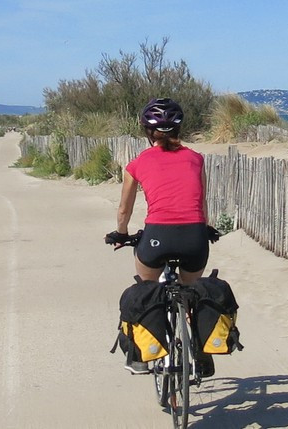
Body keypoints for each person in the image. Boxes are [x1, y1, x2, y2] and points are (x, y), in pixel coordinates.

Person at [111, 98, 216, 376]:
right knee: (192, 292)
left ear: (148, 131)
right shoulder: (196, 159)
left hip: (157, 236)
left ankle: (141, 358)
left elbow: (124, 210)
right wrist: (205, 228)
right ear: (179, 129)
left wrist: (121, 234)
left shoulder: (137, 164)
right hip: (195, 237)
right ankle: (203, 354)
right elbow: (201, 202)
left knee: (147, 290)